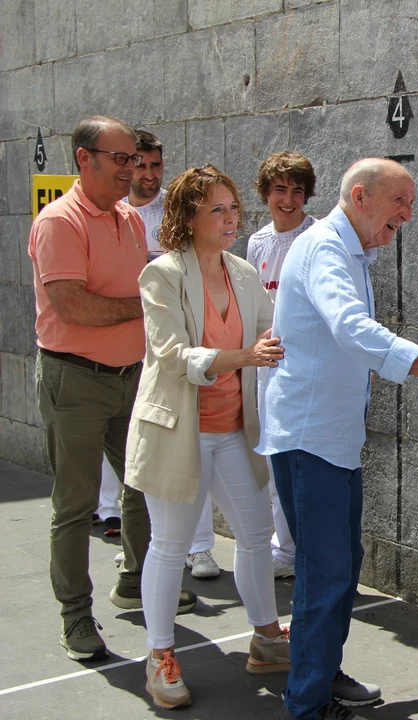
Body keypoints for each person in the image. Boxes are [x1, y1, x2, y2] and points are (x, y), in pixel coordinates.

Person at [257, 158, 418, 720]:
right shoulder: (324, 249)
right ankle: (308, 702)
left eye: (410, 204)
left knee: (342, 563)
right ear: (361, 197)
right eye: (400, 202)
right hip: (311, 440)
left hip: (332, 440)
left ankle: (320, 671)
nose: (408, 215)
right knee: (325, 570)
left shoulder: (349, 252)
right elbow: (351, 327)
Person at [28, 116, 196, 664]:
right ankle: (76, 616)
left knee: (144, 486)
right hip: (74, 381)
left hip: (133, 378)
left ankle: (135, 582)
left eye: (136, 159)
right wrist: (148, 306)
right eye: (121, 159)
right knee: (75, 507)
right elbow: (73, 306)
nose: (132, 169)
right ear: (86, 158)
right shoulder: (59, 222)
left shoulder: (128, 218)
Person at [126, 165, 291, 709]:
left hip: (233, 430)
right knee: (170, 545)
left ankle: (266, 638)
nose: (230, 218)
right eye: (216, 209)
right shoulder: (161, 275)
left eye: (233, 207)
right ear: (188, 217)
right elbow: (173, 355)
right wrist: (244, 356)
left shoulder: (242, 272)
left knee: (256, 534)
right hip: (179, 431)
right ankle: (159, 657)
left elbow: (274, 330)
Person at [100, 129, 223, 579]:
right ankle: (144, 543)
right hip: (130, 349)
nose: (149, 175)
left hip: (179, 348)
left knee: (194, 441)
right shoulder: (115, 215)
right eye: (140, 165)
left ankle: (200, 547)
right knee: (143, 451)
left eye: (155, 165)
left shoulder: (177, 209)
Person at [246, 150, 319, 580]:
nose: (288, 200)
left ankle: (308, 553)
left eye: (297, 191)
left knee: (306, 458)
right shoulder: (257, 242)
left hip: (307, 366)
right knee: (274, 456)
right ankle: (286, 548)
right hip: (266, 366)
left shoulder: (318, 237)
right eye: (279, 190)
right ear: (265, 193)